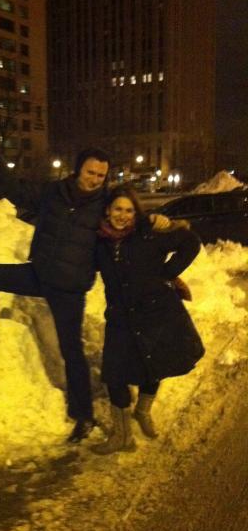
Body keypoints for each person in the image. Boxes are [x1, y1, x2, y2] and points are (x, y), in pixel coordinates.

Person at [0, 129, 167, 444]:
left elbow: (129, 223)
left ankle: (84, 417)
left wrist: (160, 224)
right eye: (91, 172)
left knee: (71, 351)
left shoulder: (105, 205)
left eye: (101, 175)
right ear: (78, 169)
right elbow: (15, 191)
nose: (95, 179)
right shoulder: (53, 192)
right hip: (39, 274)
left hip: (69, 289)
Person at [92, 187, 205, 454]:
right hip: (120, 316)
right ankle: (123, 437)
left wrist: (167, 273)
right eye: (117, 209)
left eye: (129, 210)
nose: (122, 215)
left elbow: (190, 242)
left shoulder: (149, 234)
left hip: (156, 311)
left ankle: (143, 410)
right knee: (114, 374)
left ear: (136, 213)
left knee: (152, 364)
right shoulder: (99, 242)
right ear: (107, 210)